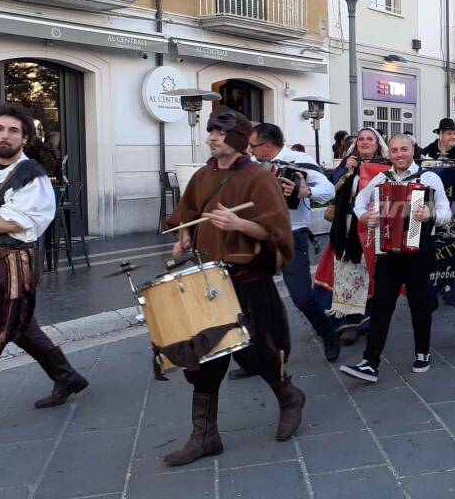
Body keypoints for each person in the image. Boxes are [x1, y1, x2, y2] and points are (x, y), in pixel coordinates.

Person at [162, 107, 303, 466]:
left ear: (237, 139)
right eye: (210, 131)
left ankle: (289, 398)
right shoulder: (202, 176)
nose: (211, 137)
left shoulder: (259, 178)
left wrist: (240, 223)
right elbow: (187, 215)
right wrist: (183, 238)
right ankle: (205, 436)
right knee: (204, 358)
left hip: (246, 281)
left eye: (219, 133)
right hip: (208, 281)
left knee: (258, 354)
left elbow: (276, 233)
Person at [0, 104, 89, 444]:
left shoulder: (32, 174)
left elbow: (17, 222)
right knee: (21, 326)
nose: (5, 135)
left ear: (24, 137)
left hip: (12, 269)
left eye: (13, 130)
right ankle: (66, 376)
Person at [339, 135, 452, 383]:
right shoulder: (382, 179)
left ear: (413, 150)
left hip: (419, 249)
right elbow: (359, 200)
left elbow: (446, 211)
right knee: (382, 304)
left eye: (404, 149)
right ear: (389, 152)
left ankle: (422, 353)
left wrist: (430, 213)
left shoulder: (428, 178)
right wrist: (364, 217)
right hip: (388, 248)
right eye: (394, 150)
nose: (399, 154)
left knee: (419, 303)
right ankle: (370, 361)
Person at [247, 123, 339, 363]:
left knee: (301, 297)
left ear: (268, 146)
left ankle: (328, 333)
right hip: (258, 235)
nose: (250, 150)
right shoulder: (252, 166)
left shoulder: (298, 160)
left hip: (291, 234)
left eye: (253, 145)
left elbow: (328, 190)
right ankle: (261, 354)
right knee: (255, 298)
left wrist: (305, 192)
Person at [313, 128, 390, 344]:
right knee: (348, 273)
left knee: (370, 274)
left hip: (372, 226)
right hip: (346, 227)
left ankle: (366, 320)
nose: (365, 143)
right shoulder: (347, 163)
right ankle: (348, 320)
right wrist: (346, 171)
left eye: (370, 139)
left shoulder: (385, 165)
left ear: (377, 144)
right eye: (361, 139)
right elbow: (333, 188)